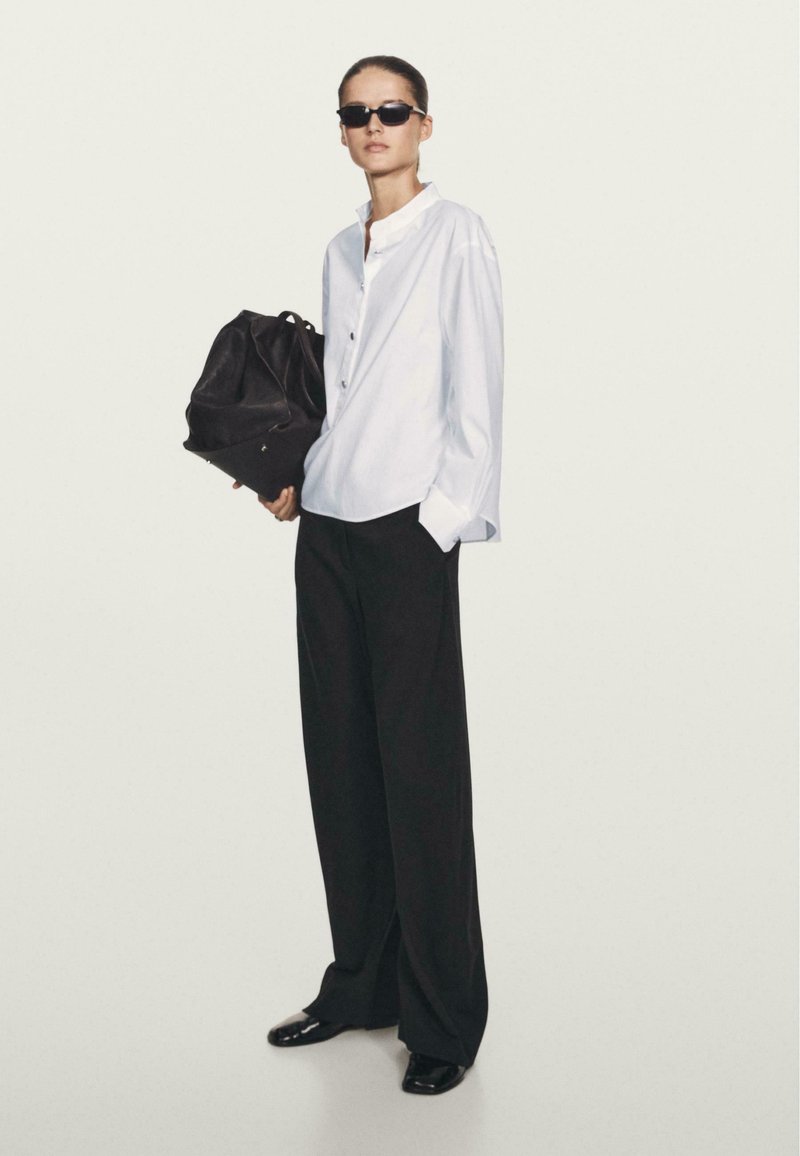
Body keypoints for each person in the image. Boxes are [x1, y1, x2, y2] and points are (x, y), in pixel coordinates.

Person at [238, 54, 503, 1095]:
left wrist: (440, 521)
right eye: (356, 113)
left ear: (424, 124)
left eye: (391, 109)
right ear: (342, 131)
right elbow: (338, 393)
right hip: (328, 529)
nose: (374, 125)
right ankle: (362, 985)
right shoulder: (337, 251)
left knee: (421, 777)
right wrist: (294, 476)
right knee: (341, 765)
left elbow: (475, 393)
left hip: (404, 533)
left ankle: (443, 1020)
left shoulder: (456, 236)